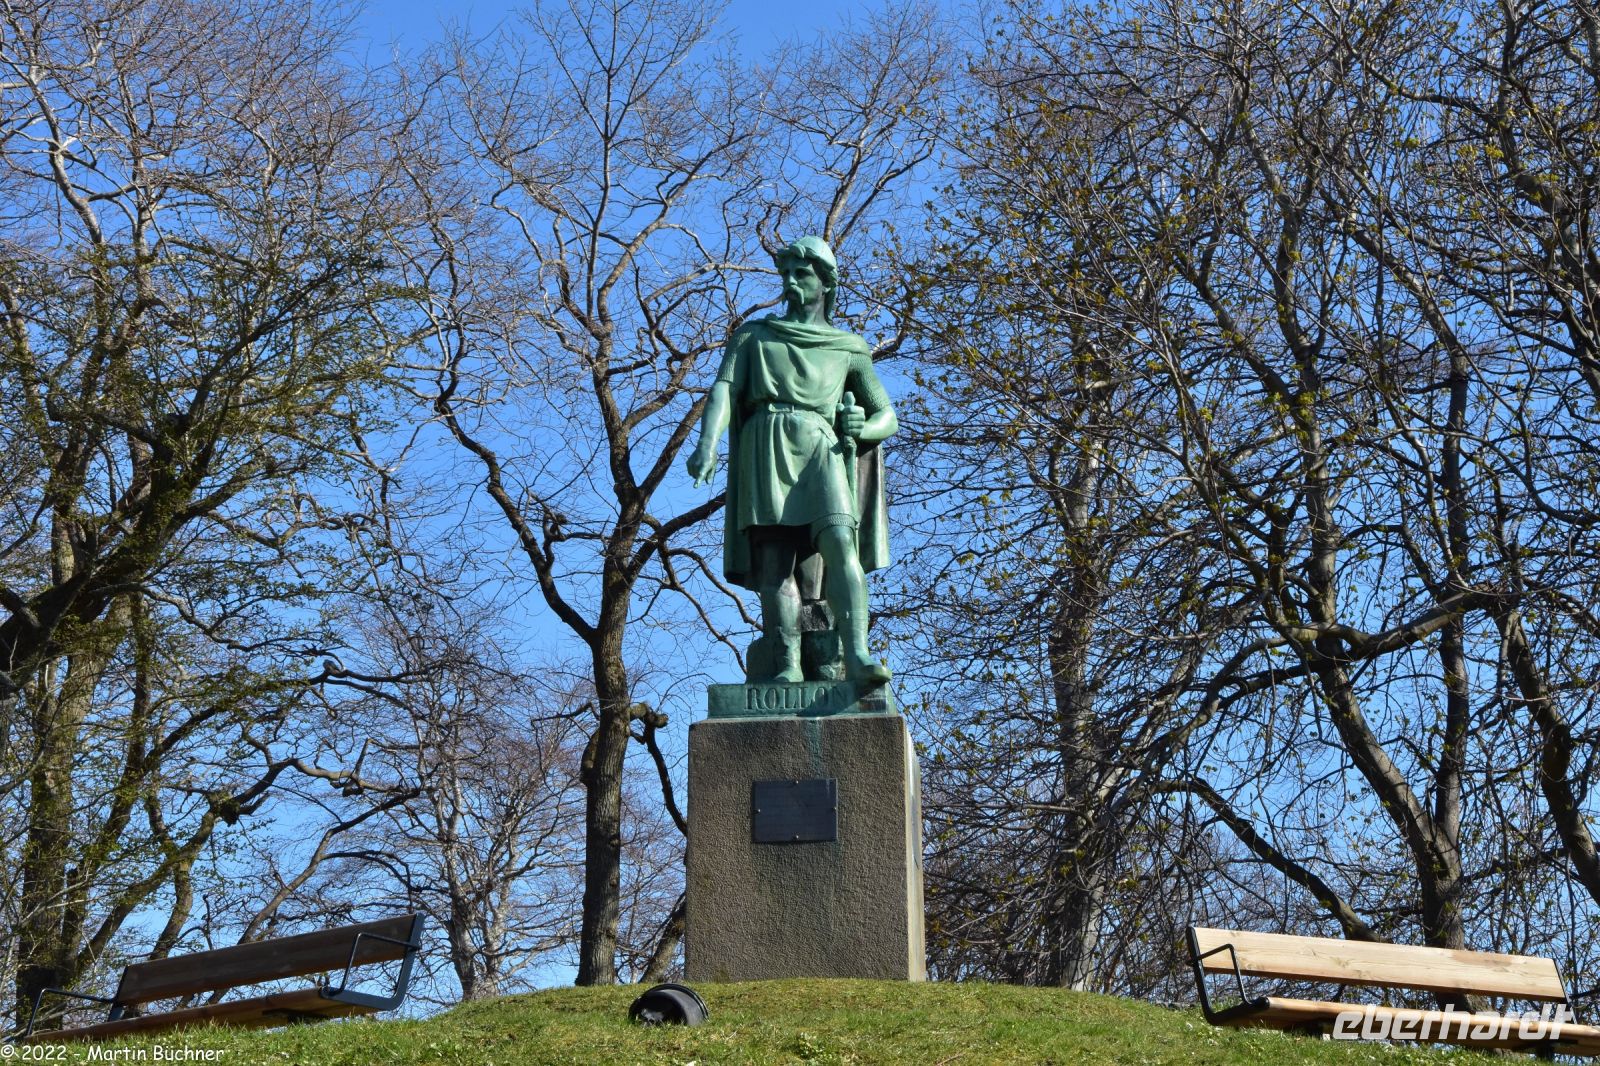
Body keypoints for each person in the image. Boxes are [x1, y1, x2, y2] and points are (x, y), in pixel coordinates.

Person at [687, 236, 896, 685]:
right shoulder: (754, 337)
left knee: (842, 545)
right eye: (786, 274)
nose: (790, 281)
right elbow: (725, 389)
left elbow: (887, 415)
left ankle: (857, 654)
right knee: (775, 564)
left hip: (821, 447)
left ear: (825, 283)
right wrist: (708, 442)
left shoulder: (849, 346)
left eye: (801, 273)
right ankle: (787, 664)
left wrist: (864, 429)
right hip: (767, 443)